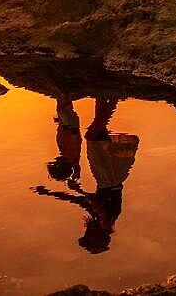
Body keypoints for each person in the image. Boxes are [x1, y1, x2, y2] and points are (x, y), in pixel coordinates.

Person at [33, 97, 139, 254]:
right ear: (98, 237)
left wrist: (50, 193)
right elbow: (95, 205)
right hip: (109, 179)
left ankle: (102, 97)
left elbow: (76, 200)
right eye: (89, 237)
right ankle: (113, 98)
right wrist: (80, 191)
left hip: (109, 179)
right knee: (93, 136)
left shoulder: (98, 219)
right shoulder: (106, 222)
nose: (86, 233)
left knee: (98, 134)